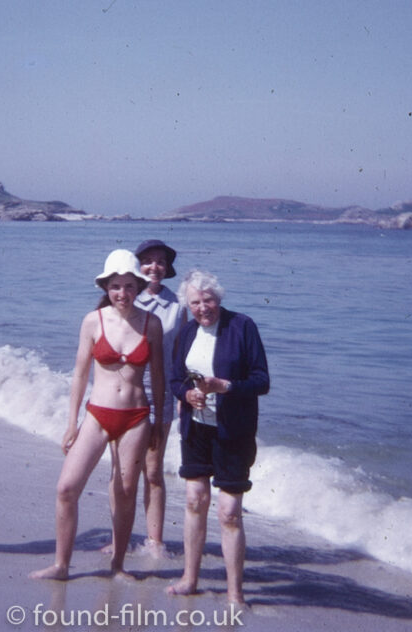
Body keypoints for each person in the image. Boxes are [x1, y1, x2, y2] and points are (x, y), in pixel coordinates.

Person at [30, 249, 164, 580]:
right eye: (115, 286)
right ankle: (61, 565)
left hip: (136, 417)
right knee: (66, 487)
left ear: (140, 286)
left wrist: (159, 422)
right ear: (106, 287)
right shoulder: (93, 321)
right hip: (97, 414)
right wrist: (71, 424)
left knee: (126, 491)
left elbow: (159, 376)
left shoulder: (152, 323)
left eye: (130, 286)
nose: (122, 293)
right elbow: (79, 373)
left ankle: (117, 565)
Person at [167, 269, 269, 605]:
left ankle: (235, 592)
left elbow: (261, 381)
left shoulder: (242, 326)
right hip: (196, 429)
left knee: (228, 512)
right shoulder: (186, 332)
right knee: (195, 501)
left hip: (233, 432)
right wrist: (187, 395)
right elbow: (175, 379)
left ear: (219, 298)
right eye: (195, 302)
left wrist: (225, 387)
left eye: (207, 300)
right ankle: (189, 579)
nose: (202, 308)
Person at [124, 239, 186, 555]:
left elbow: (182, 356)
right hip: (126, 396)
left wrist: (181, 395)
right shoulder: (124, 299)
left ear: (167, 268)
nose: (154, 267)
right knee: (123, 471)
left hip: (160, 397)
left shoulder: (178, 307)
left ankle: (155, 540)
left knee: (152, 470)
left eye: (160, 262)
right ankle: (119, 538)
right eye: (147, 261)